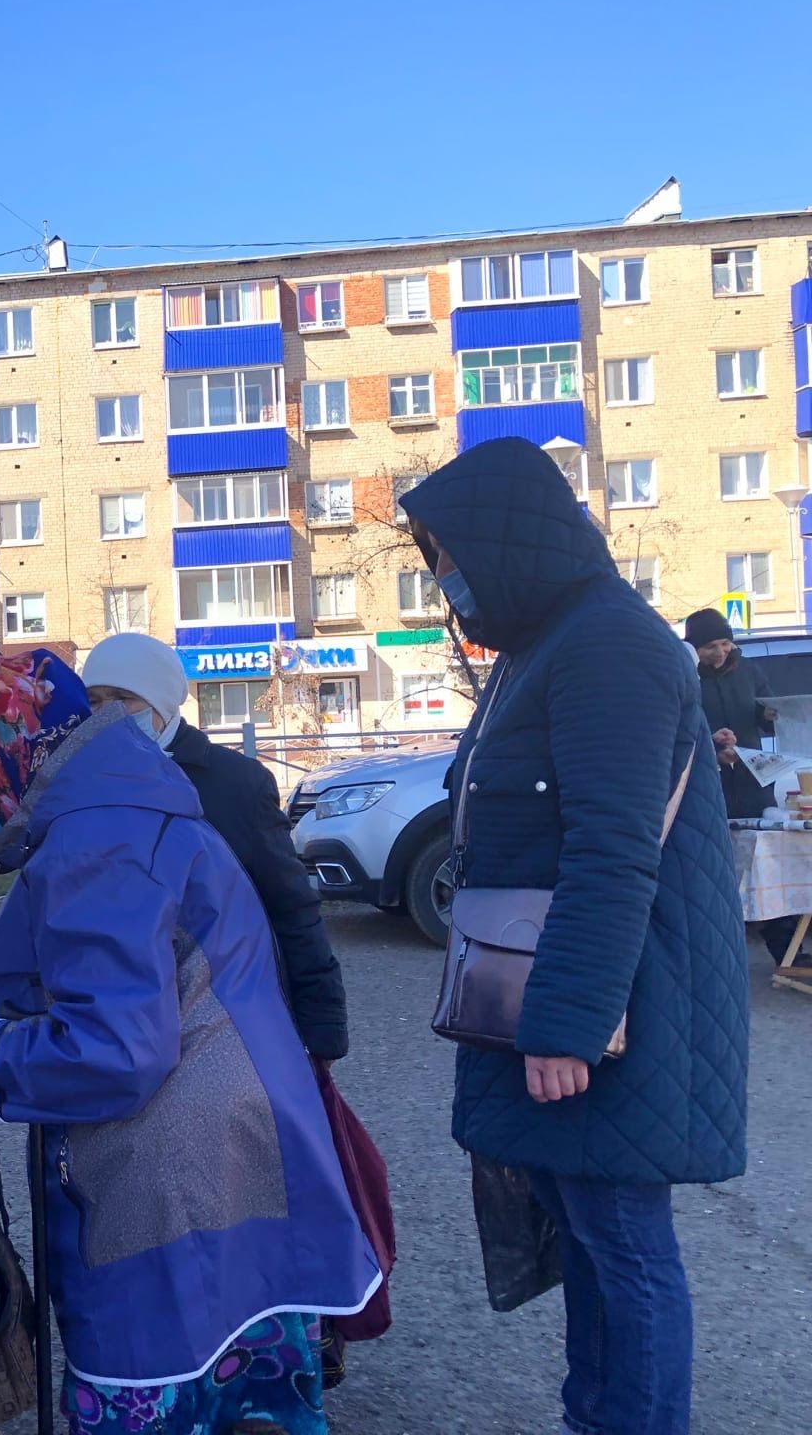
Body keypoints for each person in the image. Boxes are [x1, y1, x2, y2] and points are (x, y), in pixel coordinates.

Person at [0, 651, 380, 1435]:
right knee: (248, 1403)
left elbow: (117, 1045)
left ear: (2, 752)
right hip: (232, 1141)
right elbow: (128, 981)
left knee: (153, 1392)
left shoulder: (94, 838)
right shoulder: (119, 807)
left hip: (167, 1171)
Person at [402, 438, 748, 1435]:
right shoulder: (546, 645)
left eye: (447, 552)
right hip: (579, 997)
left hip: (617, 1007)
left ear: (507, 538)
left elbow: (612, 847)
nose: (444, 577)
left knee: (624, 1242)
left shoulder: (608, 644)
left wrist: (565, 1023)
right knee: (593, 1235)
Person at [82, 631, 348, 1063]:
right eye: (95, 701)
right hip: (122, 1021)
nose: (108, 714)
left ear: (162, 700)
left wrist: (322, 1029)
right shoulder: (87, 785)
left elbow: (291, 905)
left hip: (225, 1016)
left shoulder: (235, 784)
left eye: (124, 698)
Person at [684, 606, 777, 819]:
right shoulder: (685, 676)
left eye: (725, 644)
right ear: (693, 648)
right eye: (710, 646)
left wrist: (769, 716)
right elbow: (679, 728)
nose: (720, 652)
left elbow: (767, 715)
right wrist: (714, 746)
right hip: (707, 788)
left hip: (755, 787)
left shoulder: (747, 669)